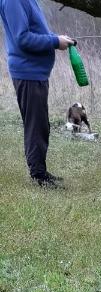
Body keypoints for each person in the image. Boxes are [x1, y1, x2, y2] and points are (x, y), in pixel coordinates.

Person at [0, 0, 75, 187]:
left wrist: (56, 37)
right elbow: (23, 38)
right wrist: (55, 42)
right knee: (35, 126)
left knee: (40, 124)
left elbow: (36, 31)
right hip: (28, 72)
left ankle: (40, 171)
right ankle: (38, 177)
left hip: (36, 72)